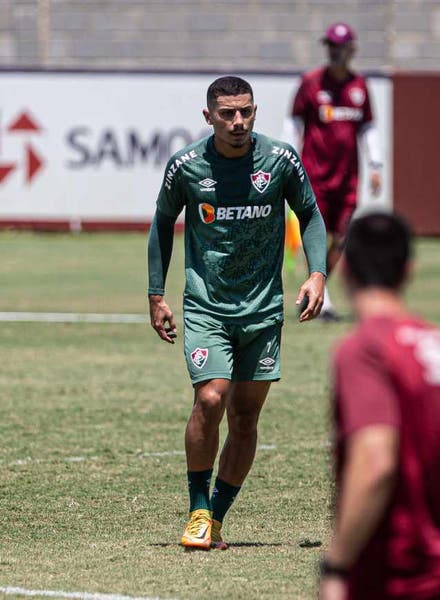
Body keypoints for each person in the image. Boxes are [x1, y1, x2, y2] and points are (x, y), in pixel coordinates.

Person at [147, 76, 327, 550]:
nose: (238, 121)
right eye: (227, 113)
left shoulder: (280, 159)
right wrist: (156, 294)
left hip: (264, 309)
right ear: (208, 117)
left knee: (245, 418)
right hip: (207, 305)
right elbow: (163, 222)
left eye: (245, 111)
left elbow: (308, 213)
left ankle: (217, 520)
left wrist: (317, 274)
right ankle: (198, 510)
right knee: (211, 398)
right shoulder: (186, 166)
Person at [318, 212, 440, 599]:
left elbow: (376, 463)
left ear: (346, 269)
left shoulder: (364, 350)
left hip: (391, 574)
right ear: (408, 271)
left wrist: (336, 565)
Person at [285, 22, 382, 321]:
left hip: (348, 176)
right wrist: (288, 159)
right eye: (330, 46)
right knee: (316, 234)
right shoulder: (311, 83)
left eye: (340, 46)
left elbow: (367, 127)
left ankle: (315, 289)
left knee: (340, 237)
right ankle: (323, 300)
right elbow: (294, 123)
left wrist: (376, 164)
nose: (334, 52)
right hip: (315, 174)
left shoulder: (359, 86)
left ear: (351, 49)